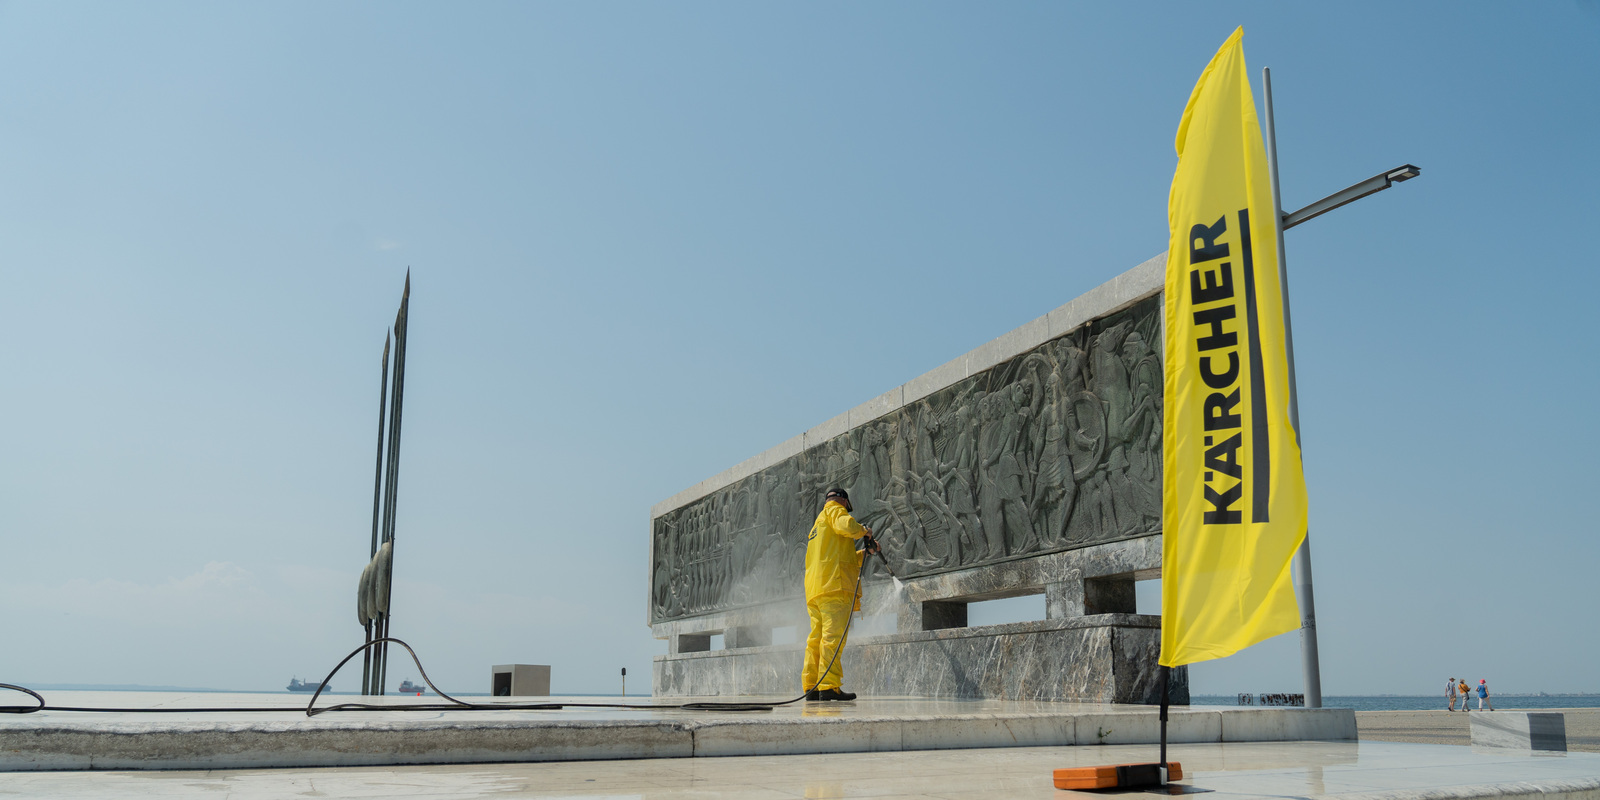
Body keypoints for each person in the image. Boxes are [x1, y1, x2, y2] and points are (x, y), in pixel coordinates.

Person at [802, 488, 877, 702]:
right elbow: (847, 526)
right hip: (834, 588)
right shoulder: (835, 511)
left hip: (816, 590)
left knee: (815, 639)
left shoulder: (818, 525)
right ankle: (828, 686)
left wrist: (865, 553)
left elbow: (837, 557)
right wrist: (864, 531)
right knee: (832, 638)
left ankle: (811, 686)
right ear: (844, 501)